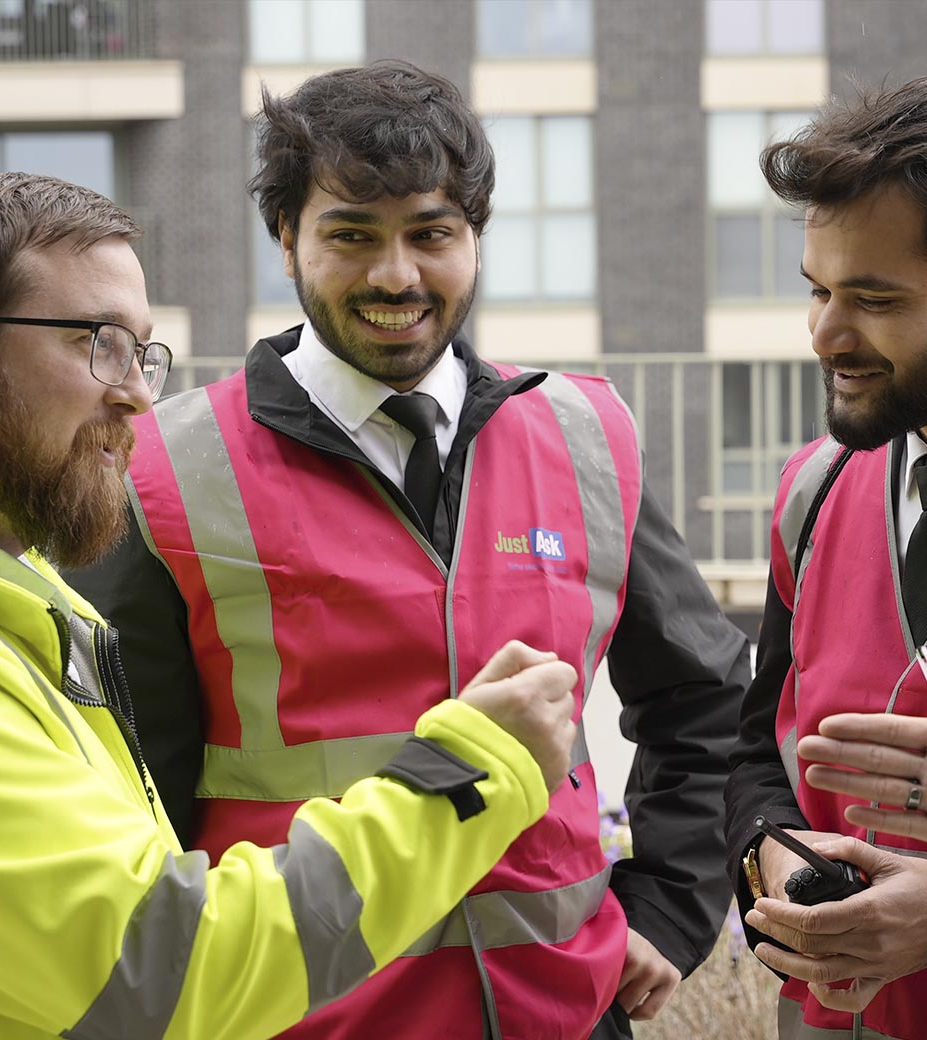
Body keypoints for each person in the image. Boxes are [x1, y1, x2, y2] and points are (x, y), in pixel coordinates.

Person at [69, 61, 751, 1040]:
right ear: (285, 237)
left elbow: (703, 696)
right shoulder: (165, 472)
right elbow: (127, 797)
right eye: (351, 235)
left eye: (431, 233)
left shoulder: (585, 432)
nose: (397, 274)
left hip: (562, 1018)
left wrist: (672, 911)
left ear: (474, 237)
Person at [0, 170, 585, 1040]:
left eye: (141, 352)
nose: (133, 393)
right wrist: (479, 767)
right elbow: (168, 963)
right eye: (97, 341)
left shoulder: (13, 595)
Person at [724, 77, 927, 1040]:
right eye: (818, 290)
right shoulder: (811, 492)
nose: (824, 334)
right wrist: (772, 850)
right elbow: (756, 754)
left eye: (874, 300)